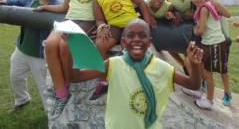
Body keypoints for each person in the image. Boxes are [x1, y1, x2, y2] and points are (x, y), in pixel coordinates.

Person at [68, 19, 203, 129]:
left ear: (149, 42)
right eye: (131, 35)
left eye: (142, 35)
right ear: (123, 43)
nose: (137, 39)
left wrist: (195, 65)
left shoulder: (162, 68)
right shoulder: (113, 64)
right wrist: (73, 47)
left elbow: (193, 84)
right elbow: (76, 77)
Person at [36, 0, 101, 119]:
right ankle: (61, 93)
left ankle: (66, 83)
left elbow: (102, 11)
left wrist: (99, 26)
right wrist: (45, 7)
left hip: (86, 23)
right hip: (69, 20)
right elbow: (64, 7)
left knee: (65, 46)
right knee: (50, 44)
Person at [90, 0, 152, 99]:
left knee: (129, 50)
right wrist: (102, 27)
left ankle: (134, 80)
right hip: (113, 26)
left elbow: (141, 2)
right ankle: (104, 80)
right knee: (100, 45)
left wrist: (146, 22)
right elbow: (99, 19)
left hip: (131, 24)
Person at [0, 0, 60, 112]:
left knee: (44, 87)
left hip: (40, 54)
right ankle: (22, 99)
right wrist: (4, 2)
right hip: (22, 49)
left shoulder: (57, 5)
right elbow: (19, 2)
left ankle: (51, 113)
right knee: (16, 76)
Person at [190, 0, 231, 110]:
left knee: (208, 73)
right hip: (212, 43)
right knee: (207, 70)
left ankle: (209, 100)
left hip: (214, 44)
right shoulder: (207, 6)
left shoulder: (203, 9)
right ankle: (206, 94)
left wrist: (194, 30)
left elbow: (201, 30)